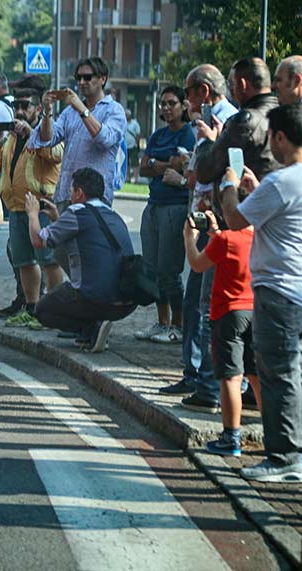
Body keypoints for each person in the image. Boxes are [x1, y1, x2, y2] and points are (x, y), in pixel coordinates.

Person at [216, 102, 302, 483]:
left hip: (277, 290)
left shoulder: (282, 182)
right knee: (292, 372)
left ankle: (284, 457)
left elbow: (234, 219)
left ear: (280, 137)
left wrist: (229, 185)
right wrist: (256, 191)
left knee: (277, 372)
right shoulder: (285, 183)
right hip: (295, 286)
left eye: (270, 137)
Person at [158, 64, 240, 404]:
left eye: (188, 93)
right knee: (196, 302)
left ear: (203, 92)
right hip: (203, 218)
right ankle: (195, 373)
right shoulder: (208, 123)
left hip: (216, 224)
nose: (185, 100)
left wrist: (208, 144)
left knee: (206, 305)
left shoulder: (230, 122)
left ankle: (207, 382)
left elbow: (217, 171)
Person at [30, 57, 126, 281]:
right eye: (78, 78)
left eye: (88, 77)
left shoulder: (114, 110)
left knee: (90, 255)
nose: (82, 82)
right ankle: (76, 298)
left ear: (102, 79)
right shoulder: (69, 112)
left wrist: (81, 108)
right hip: (67, 192)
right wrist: (46, 111)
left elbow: (104, 139)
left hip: (94, 198)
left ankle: (93, 300)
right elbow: (47, 139)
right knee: (64, 254)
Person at [26, 168, 137, 353]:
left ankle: (91, 328)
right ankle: (94, 328)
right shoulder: (113, 215)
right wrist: (56, 218)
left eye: (71, 191)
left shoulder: (77, 212)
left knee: (42, 310)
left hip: (96, 297)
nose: (69, 196)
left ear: (79, 193)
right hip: (126, 301)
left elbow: (39, 240)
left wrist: (32, 213)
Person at [0, 74, 64, 328]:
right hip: (16, 206)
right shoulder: (12, 136)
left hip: (41, 206)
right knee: (24, 262)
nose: (19, 110)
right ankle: (32, 308)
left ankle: (55, 311)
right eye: (16, 105)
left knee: (49, 261)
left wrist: (33, 135)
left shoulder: (46, 131)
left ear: (38, 108)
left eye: (25, 105)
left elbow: (55, 154)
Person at [183, 206, 259, 458]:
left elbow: (196, 264)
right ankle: (275, 433)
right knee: (256, 376)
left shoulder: (226, 240)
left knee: (231, 377)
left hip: (228, 314)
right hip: (256, 311)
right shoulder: (260, 236)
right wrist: (215, 230)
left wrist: (189, 239)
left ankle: (231, 437)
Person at [134, 86, 195, 345]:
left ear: (184, 106)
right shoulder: (158, 135)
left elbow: (182, 165)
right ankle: (161, 322)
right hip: (153, 204)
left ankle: (177, 325)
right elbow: (143, 168)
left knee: (169, 270)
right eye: (163, 104)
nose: (166, 108)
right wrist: (164, 165)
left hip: (175, 207)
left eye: (172, 103)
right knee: (153, 269)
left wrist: (154, 165)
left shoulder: (188, 135)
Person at [195, 57, 281, 185]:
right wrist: (221, 138)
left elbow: (204, 172)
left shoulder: (244, 121)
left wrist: (206, 141)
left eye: (231, 85)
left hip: (247, 200)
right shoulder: (285, 114)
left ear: (242, 85)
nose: (230, 91)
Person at [125, 109, 142, 182]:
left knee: (135, 163)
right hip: (125, 146)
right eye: (125, 114)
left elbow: (138, 134)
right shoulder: (123, 123)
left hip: (133, 146)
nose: (126, 116)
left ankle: (136, 179)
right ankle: (127, 178)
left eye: (127, 115)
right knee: (126, 163)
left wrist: (137, 144)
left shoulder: (135, 123)